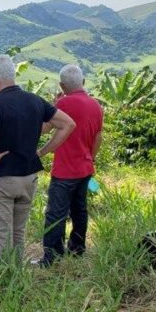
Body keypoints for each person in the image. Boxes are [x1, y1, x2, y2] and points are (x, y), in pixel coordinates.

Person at [0, 55, 76, 268]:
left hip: (2, 179)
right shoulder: (35, 100)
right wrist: (43, 151)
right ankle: (17, 275)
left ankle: (3, 281)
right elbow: (68, 124)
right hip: (29, 177)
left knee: (2, 233)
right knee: (18, 232)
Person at [36, 65, 104, 267]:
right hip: (85, 168)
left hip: (65, 170)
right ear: (83, 82)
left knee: (55, 214)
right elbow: (98, 137)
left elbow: (44, 129)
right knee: (79, 210)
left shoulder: (64, 103)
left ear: (62, 85)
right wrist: (90, 158)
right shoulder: (96, 105)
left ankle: (52, 258)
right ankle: (77, 249)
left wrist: (51, 106)